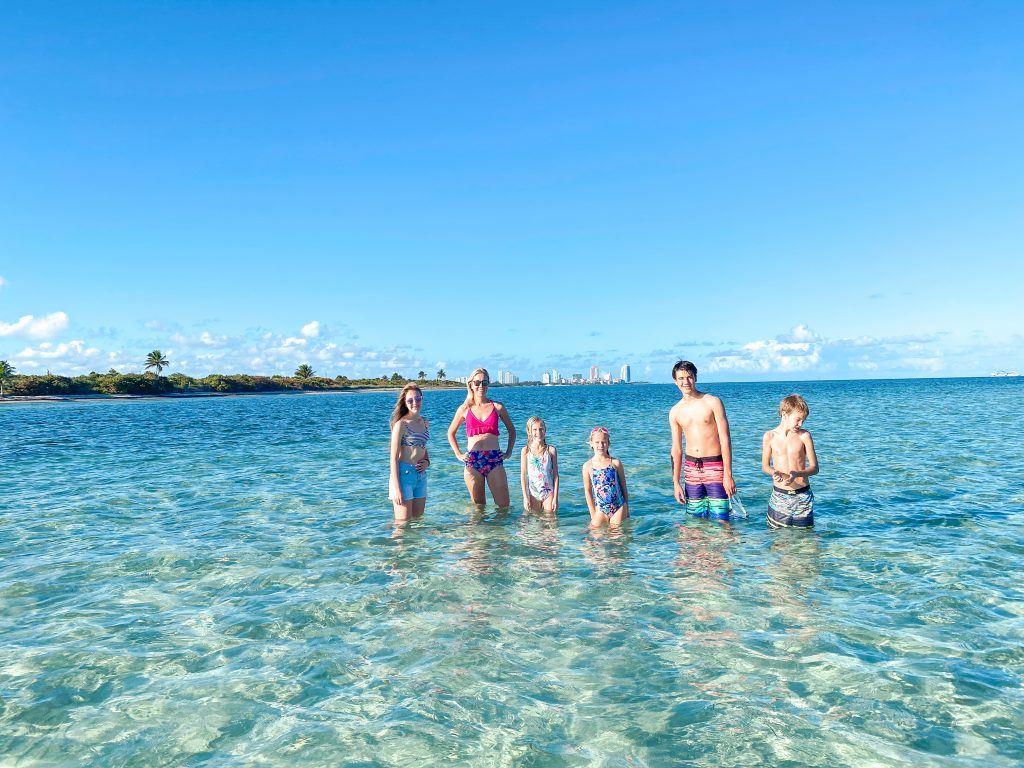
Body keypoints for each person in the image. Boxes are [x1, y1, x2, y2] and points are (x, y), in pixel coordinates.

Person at [669, 360, 736, 519]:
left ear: (695, 378)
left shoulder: (712, 402)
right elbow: (676, 449)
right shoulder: (675, 412)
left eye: (689, 377)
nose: (686, 382)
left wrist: (728, 474)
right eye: (681, 378)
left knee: (721, 519)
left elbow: (725, 440)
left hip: (715, 466)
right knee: (694, 521)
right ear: (675, 381)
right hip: (691, 469)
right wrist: (676, 482)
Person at [446, 367, 516, 506]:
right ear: (471, 384)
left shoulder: (497, 407)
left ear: (488, 384)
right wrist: (458, 454)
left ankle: (498, 529)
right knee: (479, 510)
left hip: (494, 459)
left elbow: (512, 431)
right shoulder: (464, 409)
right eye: (477, 382)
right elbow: (450, 433)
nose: (481, 386)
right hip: (473, 461)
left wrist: (508, 452)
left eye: (485, 382)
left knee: (504, 507)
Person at [762, 394, 818, 528]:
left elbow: (815, 468)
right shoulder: (769, 436)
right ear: (784, 414)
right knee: (778, 542)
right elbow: (765, 466)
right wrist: (775, 472)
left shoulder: (804, 436)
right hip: (779, 496)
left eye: (803, 420)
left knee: (806, 542)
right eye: (798, 419)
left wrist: (797, 474)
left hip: (802, 496)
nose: (801, 424)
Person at [388, 383, 430, 521]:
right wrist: (397, 488)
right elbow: (393, 458)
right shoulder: (401, 424)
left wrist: (427, 462)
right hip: (403, 476)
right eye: (410, 400)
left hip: (420, 476)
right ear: (405, 403)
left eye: (418, 399)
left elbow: (423, 447)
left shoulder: (424, 422)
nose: (415, 403)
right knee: (402, 526)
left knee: (418, 522)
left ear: (422, 399)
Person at [582, 427, 629, 527]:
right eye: (597, 442)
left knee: (616, 537)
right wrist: (592, 513)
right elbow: (587, 491)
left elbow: (623, 486)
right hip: (600, 508)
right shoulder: (587, 466)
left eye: (604, 442)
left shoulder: (615, 463)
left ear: (608, 443)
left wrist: (626, 508)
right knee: (593, 538)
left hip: (618, 506)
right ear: (591, 443)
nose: (600, 445)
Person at [520, 416, 559, 513]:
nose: (538, 432)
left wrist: (555, 498)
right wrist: (525, 497)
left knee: (551, 522)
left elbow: (556, 475)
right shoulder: (525, 451)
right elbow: (523, 475)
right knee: (534, 522)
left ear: (545, 430)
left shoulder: (551, 450)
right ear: (529, 431)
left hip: (549, 492)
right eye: (535, 429)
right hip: (533, 492)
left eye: (541, 429)